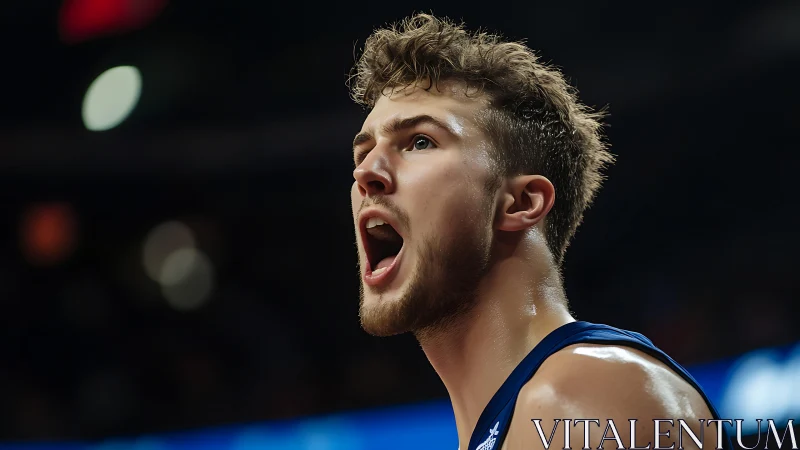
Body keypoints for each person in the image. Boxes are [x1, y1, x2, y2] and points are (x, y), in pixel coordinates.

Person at [348, 14, 732, 450]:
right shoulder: (532, 414)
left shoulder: (585, 396)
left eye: (420, 142)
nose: (366, 171)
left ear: (521, 203)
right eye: (363, 150)